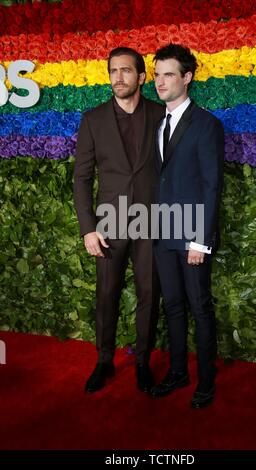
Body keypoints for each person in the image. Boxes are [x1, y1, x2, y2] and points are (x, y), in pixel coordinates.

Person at [74, 47, 164, 394]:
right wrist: (88, 229)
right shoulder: (93, 119)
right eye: (113, 71)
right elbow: (81, 178)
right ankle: (104, 361)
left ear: (141, 77)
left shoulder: (161, 115)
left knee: (149, 292)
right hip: (108, 224)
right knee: (107, 294)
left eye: (126, 71)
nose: (118, 78)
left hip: (152, 221)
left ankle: (142, 361)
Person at [150, 44, 224, 408]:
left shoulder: (207, 124)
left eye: (168, 75)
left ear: (187, 78)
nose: (160, 82)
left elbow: (211, 185)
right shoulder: (158, 123)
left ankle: (206, 382)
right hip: (163, 233)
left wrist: (200, 240)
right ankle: (178, 372)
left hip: (192, 235)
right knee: (174, 306)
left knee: (199, 307)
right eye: (157, 74)